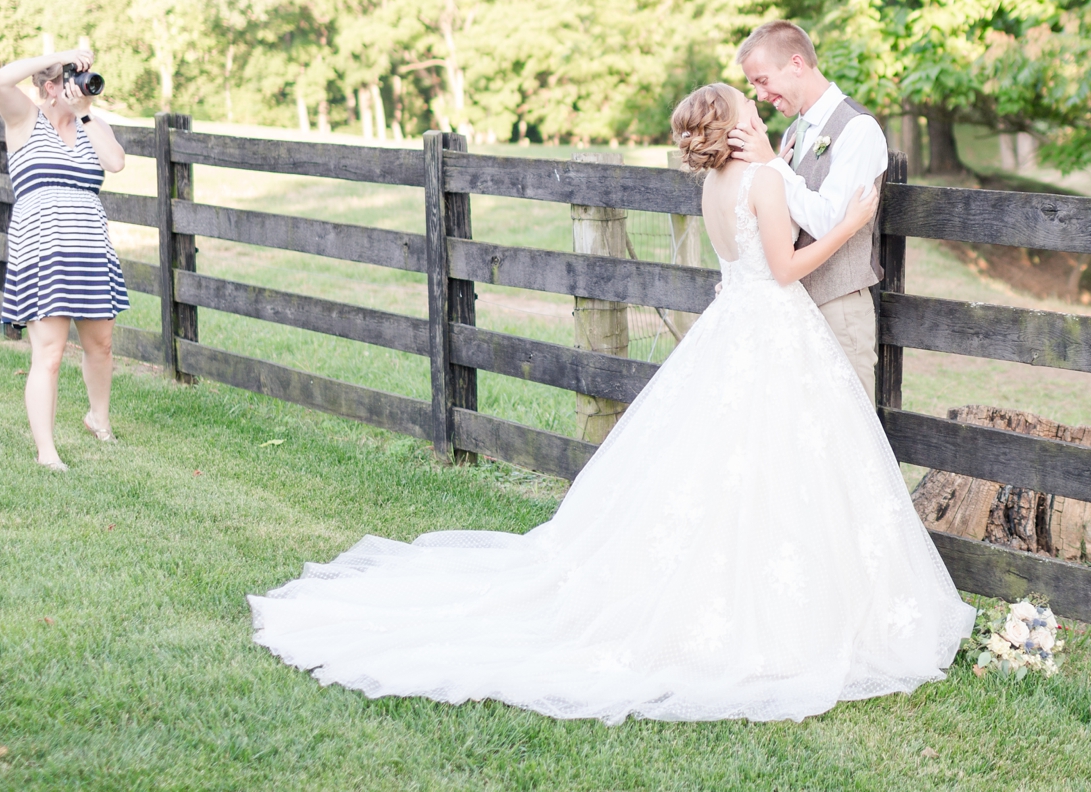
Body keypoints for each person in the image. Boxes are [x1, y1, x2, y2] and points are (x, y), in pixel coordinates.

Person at [247, 83, 974, 724]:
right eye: (746, 104)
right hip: (774, 327)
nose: (757, 110)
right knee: (775, 463)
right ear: (734, 123)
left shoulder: (719, 185)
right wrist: (852, 223)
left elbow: (743, 263)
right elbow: (784, 269)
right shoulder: (763, 181)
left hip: (734, 329)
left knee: (729, 466)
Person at [728, 20, 889, 403]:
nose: (760, 93)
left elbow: (829, 222)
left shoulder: (858, 129)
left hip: (840, 309)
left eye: (763, 80)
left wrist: (774, 165)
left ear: (796, 63)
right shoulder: (792, 134)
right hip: (792, 310)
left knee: (851, 432)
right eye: (753, 85)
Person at [0, 49, 129, 472]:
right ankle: (47, 452)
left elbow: (116, 163)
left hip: (90, 248)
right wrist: (61, 56)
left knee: (100, 345)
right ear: (51, 87)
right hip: (42, 251)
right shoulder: (24, 120)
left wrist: (85, 114)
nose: (82, 86)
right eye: (72, 78)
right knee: (49, 354)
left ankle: (98, 420)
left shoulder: (92, 124)